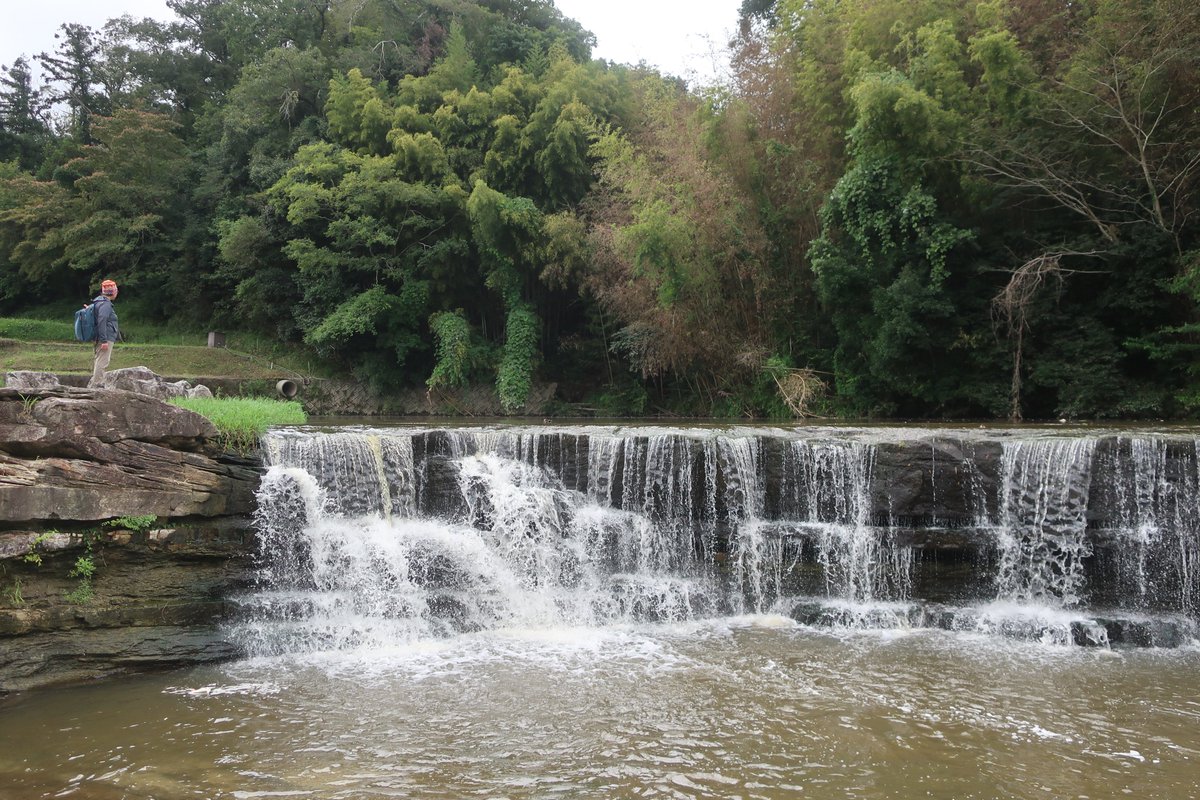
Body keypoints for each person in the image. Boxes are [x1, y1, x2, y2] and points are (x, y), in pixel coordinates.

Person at [88, 279, 120, 388]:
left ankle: (95, 384)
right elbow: (102, 320)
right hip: (105, 337)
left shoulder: (97, 302)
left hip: (97, 336)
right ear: (113, 292)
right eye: (116, 290)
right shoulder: (106, 304)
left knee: (99, 360)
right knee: (103, 361)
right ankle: (97, 385)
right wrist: (104, 340)